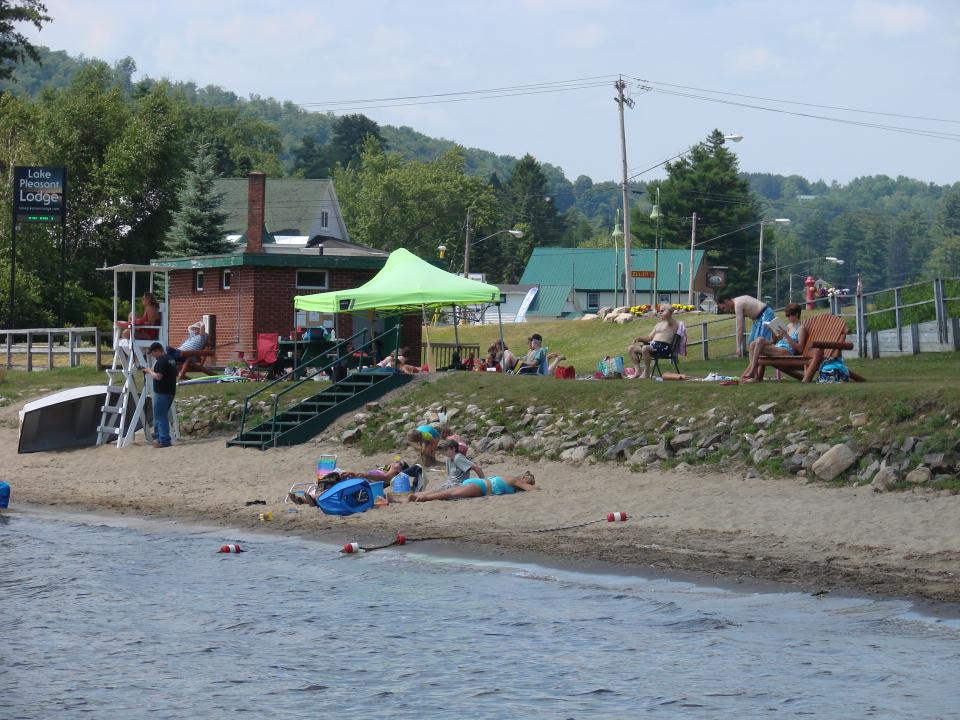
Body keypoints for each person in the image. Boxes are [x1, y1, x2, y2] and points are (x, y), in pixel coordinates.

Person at [743, 303, 805, 381]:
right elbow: (776, 340)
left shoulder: (801, 329)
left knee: (759, 341)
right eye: (787, 315)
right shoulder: (789, 325)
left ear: (796, 314)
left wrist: (786, 335)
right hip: (778, 347)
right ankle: (755, 375)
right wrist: (772, 329)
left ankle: (753, 372)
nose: (788, 317)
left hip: (786, 352)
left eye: (789, 315)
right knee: (754, 343)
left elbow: (800, 348)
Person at [409, 469, 537, 502]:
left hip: (478, 483)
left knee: (446, 491)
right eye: (528, 481)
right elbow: (531, 489)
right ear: (524, 478)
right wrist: (536, 487)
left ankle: (417, 495)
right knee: (448, 494)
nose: (528, 483)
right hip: (480, 487)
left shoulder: (511, 481)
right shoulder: (516, 480)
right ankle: (423, 498)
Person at [627, 305, 679, 379]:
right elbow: (649, 338)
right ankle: (638, 371)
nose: (660, 313)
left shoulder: (672, 322)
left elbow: (669, 310)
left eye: (662, 311)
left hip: (664, 348)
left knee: (645, 348)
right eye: (659, 311)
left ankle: (646, 373)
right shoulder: (658, 325)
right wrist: (639, 338)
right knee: (631, 348)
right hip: (652, 345)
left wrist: (664, 308)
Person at [143, 341, 176, 448]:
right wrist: (150, 370)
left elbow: (158, 376)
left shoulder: (161, 360)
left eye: (152, 353)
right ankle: (158, 438)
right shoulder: (170, 359)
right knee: (160, 416)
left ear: (157, 351)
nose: (152, 356)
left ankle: (164, 440)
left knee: (160, 417)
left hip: (161, 392)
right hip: (170, 392)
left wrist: (148, 371)